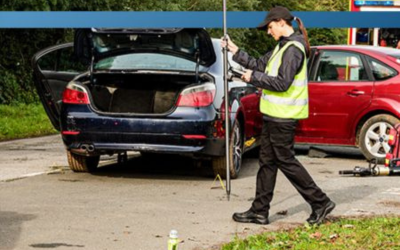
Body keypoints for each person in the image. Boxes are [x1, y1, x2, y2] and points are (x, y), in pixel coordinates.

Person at [221, 6, 335, 225]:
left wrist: (251, 78)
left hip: (284, 117)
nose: (268, 31)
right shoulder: (282, 47)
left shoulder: (294, 49)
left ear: (282, 22)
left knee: (286, 161)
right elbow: (259, 65)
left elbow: (282, 83)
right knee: (267, 163)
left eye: (270, 27)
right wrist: (236, 51)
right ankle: (259, 211)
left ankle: (320, 202)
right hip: (274, 115)